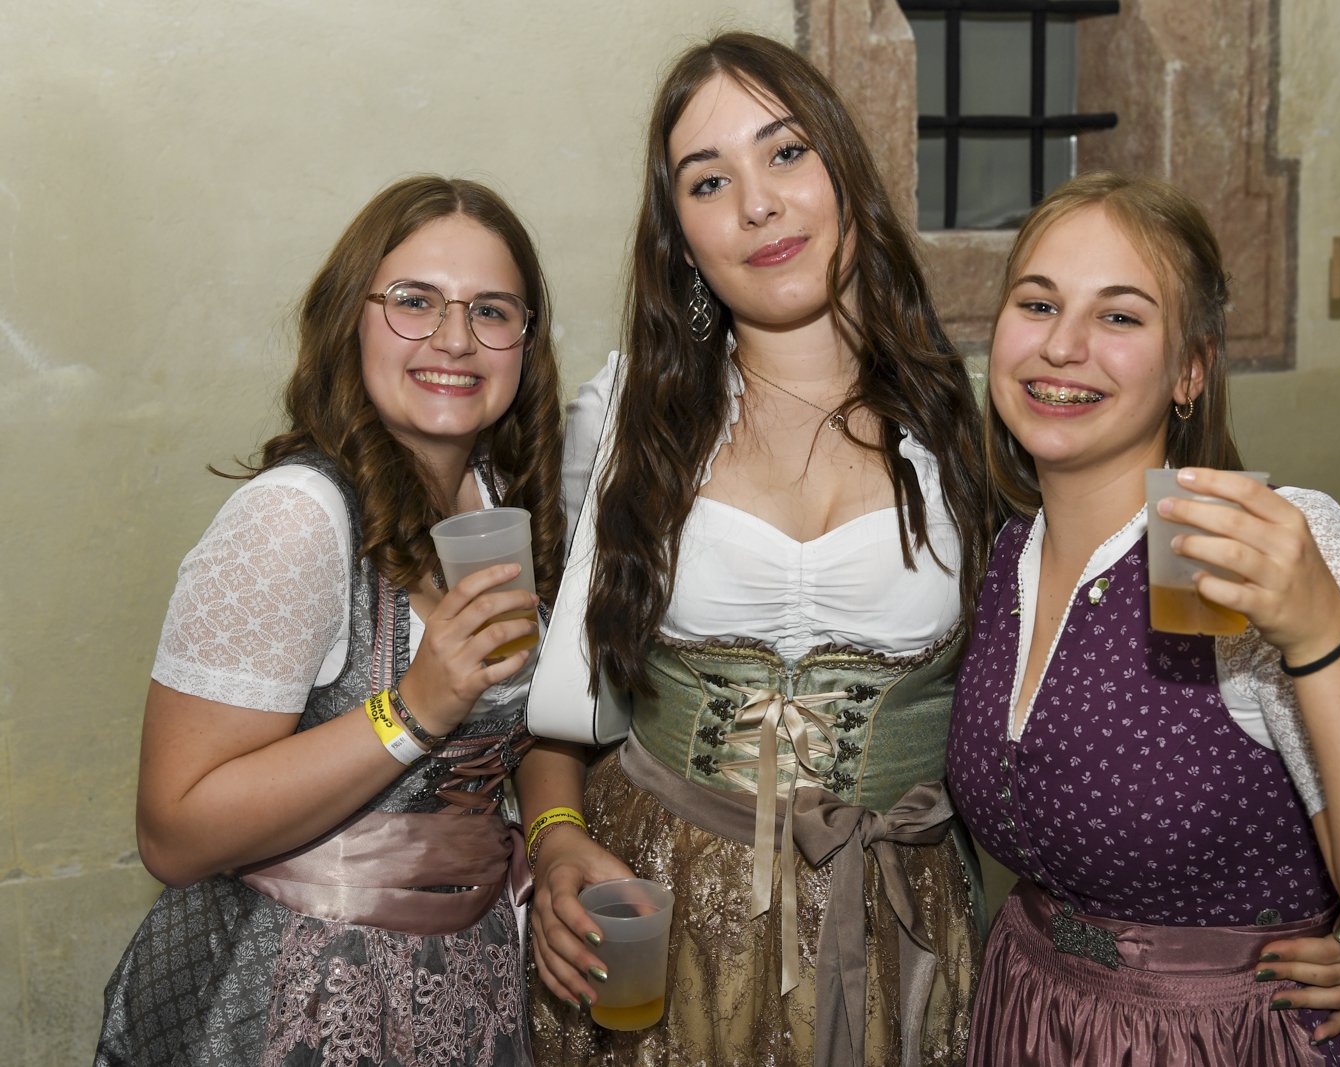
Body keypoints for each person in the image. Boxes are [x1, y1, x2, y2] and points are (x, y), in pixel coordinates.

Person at [515, 32, 991, 1067]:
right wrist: (554, 837)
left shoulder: (970, 430)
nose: (757, 205)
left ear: (845, 172)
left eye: (784, 153)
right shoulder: (626, 421)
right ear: (681, 237)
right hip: (658, 910)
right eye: (708, 180)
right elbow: (561, 703)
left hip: (897, 920)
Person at [947, 171, 1340, 1064]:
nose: (1063, 345)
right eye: (1037, 304)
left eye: (1120, 316)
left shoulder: (1248, 546)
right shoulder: (1007, 549)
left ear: (1190, 370)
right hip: (1035, 1020)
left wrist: (1318, 630)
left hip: (1238, 1039)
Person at [96, 175, 564, 1067]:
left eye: (491, 311)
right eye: (414, 301)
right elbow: (174, 832)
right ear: (351, 318)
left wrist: (557, 833)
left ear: (525, 343)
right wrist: (414, 709)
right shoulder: (297, 518)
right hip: (296, 994)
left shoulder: (496, 497)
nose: (455, 339)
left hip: (466, 976)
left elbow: (525, 726)